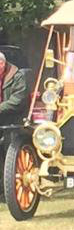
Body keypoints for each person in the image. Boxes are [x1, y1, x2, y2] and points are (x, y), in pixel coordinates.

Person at [0, 50, 30, 202]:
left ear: (2, 64)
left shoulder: (18, 77)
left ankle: (8, 193)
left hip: (13, 122)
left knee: (8, 157)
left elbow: (17, 101)